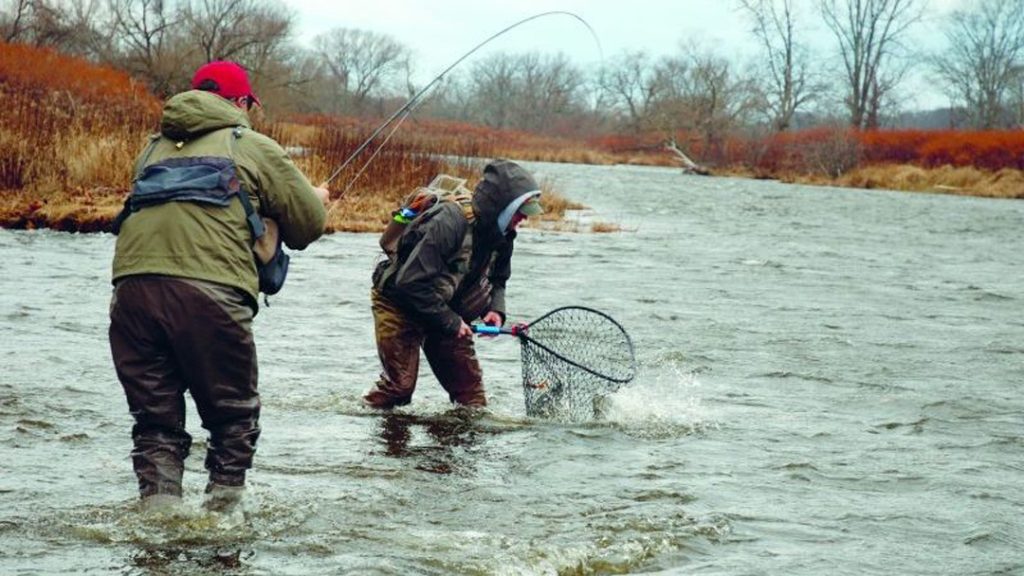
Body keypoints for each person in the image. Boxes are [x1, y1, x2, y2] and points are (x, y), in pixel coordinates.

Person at [108, 60, 330, 511]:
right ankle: (221, 522)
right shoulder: (252, 146)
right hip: (210, 295)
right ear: (242, 103)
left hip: (130, 296)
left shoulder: (150, 151)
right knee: (233, 417)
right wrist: (317, 199)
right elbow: (308, 227)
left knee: (155, 422)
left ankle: (158, 522)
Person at [365, 159, 543, 409]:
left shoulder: (504, 235)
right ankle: (363, 421)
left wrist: (495, 309)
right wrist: (451, 321)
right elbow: (409, 283)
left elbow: (499, 279)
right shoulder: (449, 222)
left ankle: (453, 446)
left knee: (472, 400)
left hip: (445, 308)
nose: (524, 218)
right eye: (520, 211)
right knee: (400, 388)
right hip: (398, 302)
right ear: (501, 206)